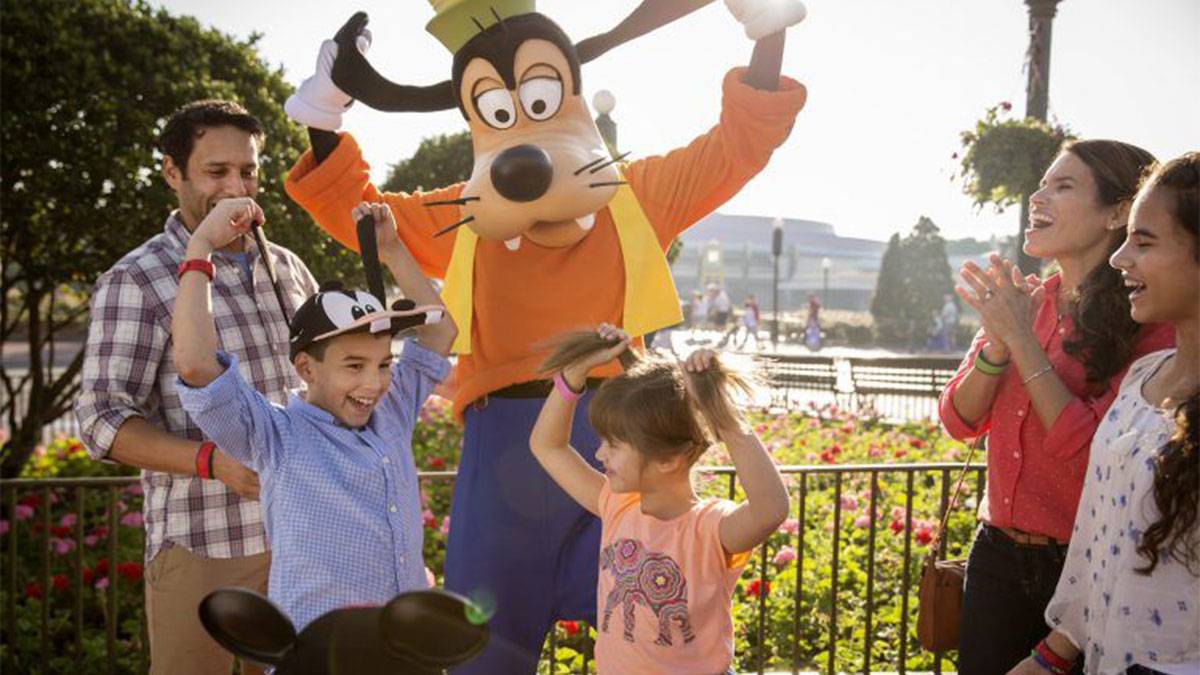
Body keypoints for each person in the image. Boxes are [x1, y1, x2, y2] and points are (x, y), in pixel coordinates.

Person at [74, 100, 319, 675]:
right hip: (203, 546)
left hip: (302, 538)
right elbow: (101, 421)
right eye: (216, 172)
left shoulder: (289, 268)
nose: (237, 187)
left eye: (248, 171)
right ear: (172, 172)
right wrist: (216, 462)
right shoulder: (135, 278)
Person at [941, 139, 1175, 674]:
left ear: (1118, 212)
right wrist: (1000, 347)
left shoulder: (1151, 322)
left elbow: (1091, 449)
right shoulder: (1026, 300)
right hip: (997, 557)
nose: (1037, 196)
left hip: (1088, 568)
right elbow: (957, 418)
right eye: (1042, 183)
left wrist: (1019, 340)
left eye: (1062, 186)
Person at [172, 200, 457, 632]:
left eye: (384, 364)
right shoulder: (276, 435)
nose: (375, 383)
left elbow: (440, 330)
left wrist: (394, 250)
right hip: (318, 653)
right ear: (306, 367)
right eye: (354, 365)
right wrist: (201, 246)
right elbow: (195, 365)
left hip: (402, 649)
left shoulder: (392, 410)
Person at [1008, 153, 1199, 675]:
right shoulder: (1143, 379)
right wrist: (1051, 656)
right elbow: (1103, 543)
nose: (1121, 259)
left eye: (1146, 242)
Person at [529, 324, 788, 674]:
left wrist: (719, 411)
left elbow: (770, 509)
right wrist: (574, 374)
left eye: (614, 444)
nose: (600, 454)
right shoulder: (618, 505)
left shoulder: (709, 529)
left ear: (668, 460)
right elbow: (547, 446)